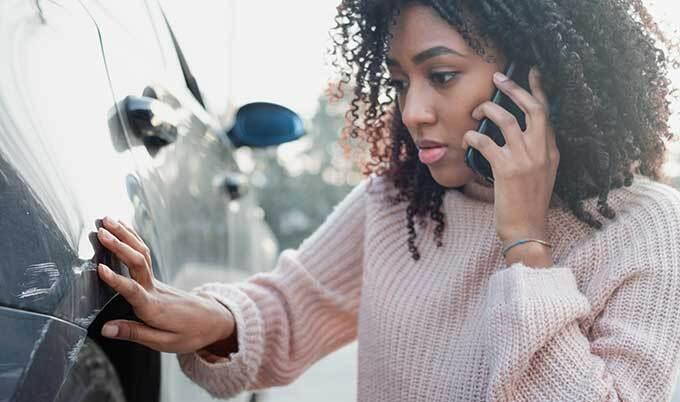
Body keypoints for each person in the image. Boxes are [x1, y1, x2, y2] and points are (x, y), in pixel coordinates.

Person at [95, 0, 680, 400]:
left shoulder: (643, 227)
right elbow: (288, 309)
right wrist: (207, 319)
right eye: (401, 82)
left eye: (443, 76)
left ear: (538, 80)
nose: (412, 111)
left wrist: (525, 244)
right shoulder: (399, 202)